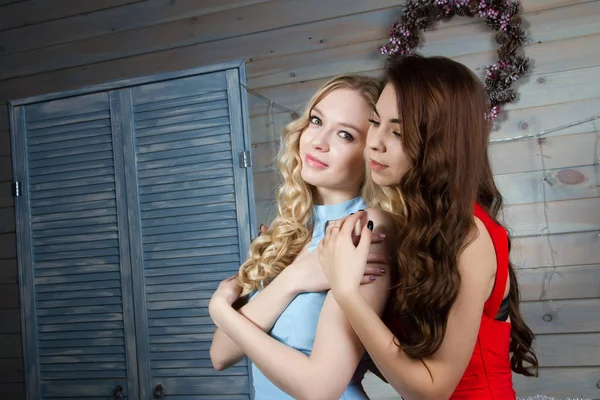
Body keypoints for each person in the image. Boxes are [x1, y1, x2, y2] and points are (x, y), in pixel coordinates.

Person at [318, 54, 539, 400]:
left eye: (398, 132)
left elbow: (433, 390)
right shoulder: (414, 228)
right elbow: (401, 363)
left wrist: (346, 293)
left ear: (441, 144)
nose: (375, 142)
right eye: (375, 122)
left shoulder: (471, 236)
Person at [209, 74, 397, 399]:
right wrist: (292, 279)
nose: (318, 141)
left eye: (344, 134)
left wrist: (222, 311)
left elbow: (319, 389)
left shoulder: (366, 230)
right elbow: (221, 355)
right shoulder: (293, 227)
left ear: (371, 153)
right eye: (316, 121)